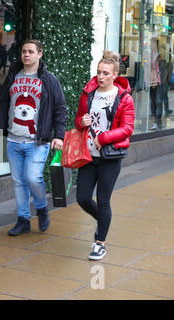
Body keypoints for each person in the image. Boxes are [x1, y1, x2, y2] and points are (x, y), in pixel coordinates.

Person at [0, 39, 67, 236]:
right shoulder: (13, 77)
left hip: (37, 142)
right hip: (13, 140)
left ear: (39, 54)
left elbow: (60, 109)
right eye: (23, 52)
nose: (26, 55)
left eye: (30, 51)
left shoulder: (49, 80)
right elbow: (1, 104)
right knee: (19, 182)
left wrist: (59, 136)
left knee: (32, 177)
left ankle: (42, 207)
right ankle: (23, 220)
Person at [74, 50, 135, 260]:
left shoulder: (124, 98)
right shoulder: (89, 93)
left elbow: (127, 128)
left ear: (115, 75)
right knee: (82, 197)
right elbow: (78, 120)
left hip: (110, 156)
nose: (100, 77)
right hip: (88, 156)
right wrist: (81, 122)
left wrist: (104, 138)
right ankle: (103, 222)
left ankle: (100, 242)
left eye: (106, 73)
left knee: (103, 200)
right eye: (99, 72)